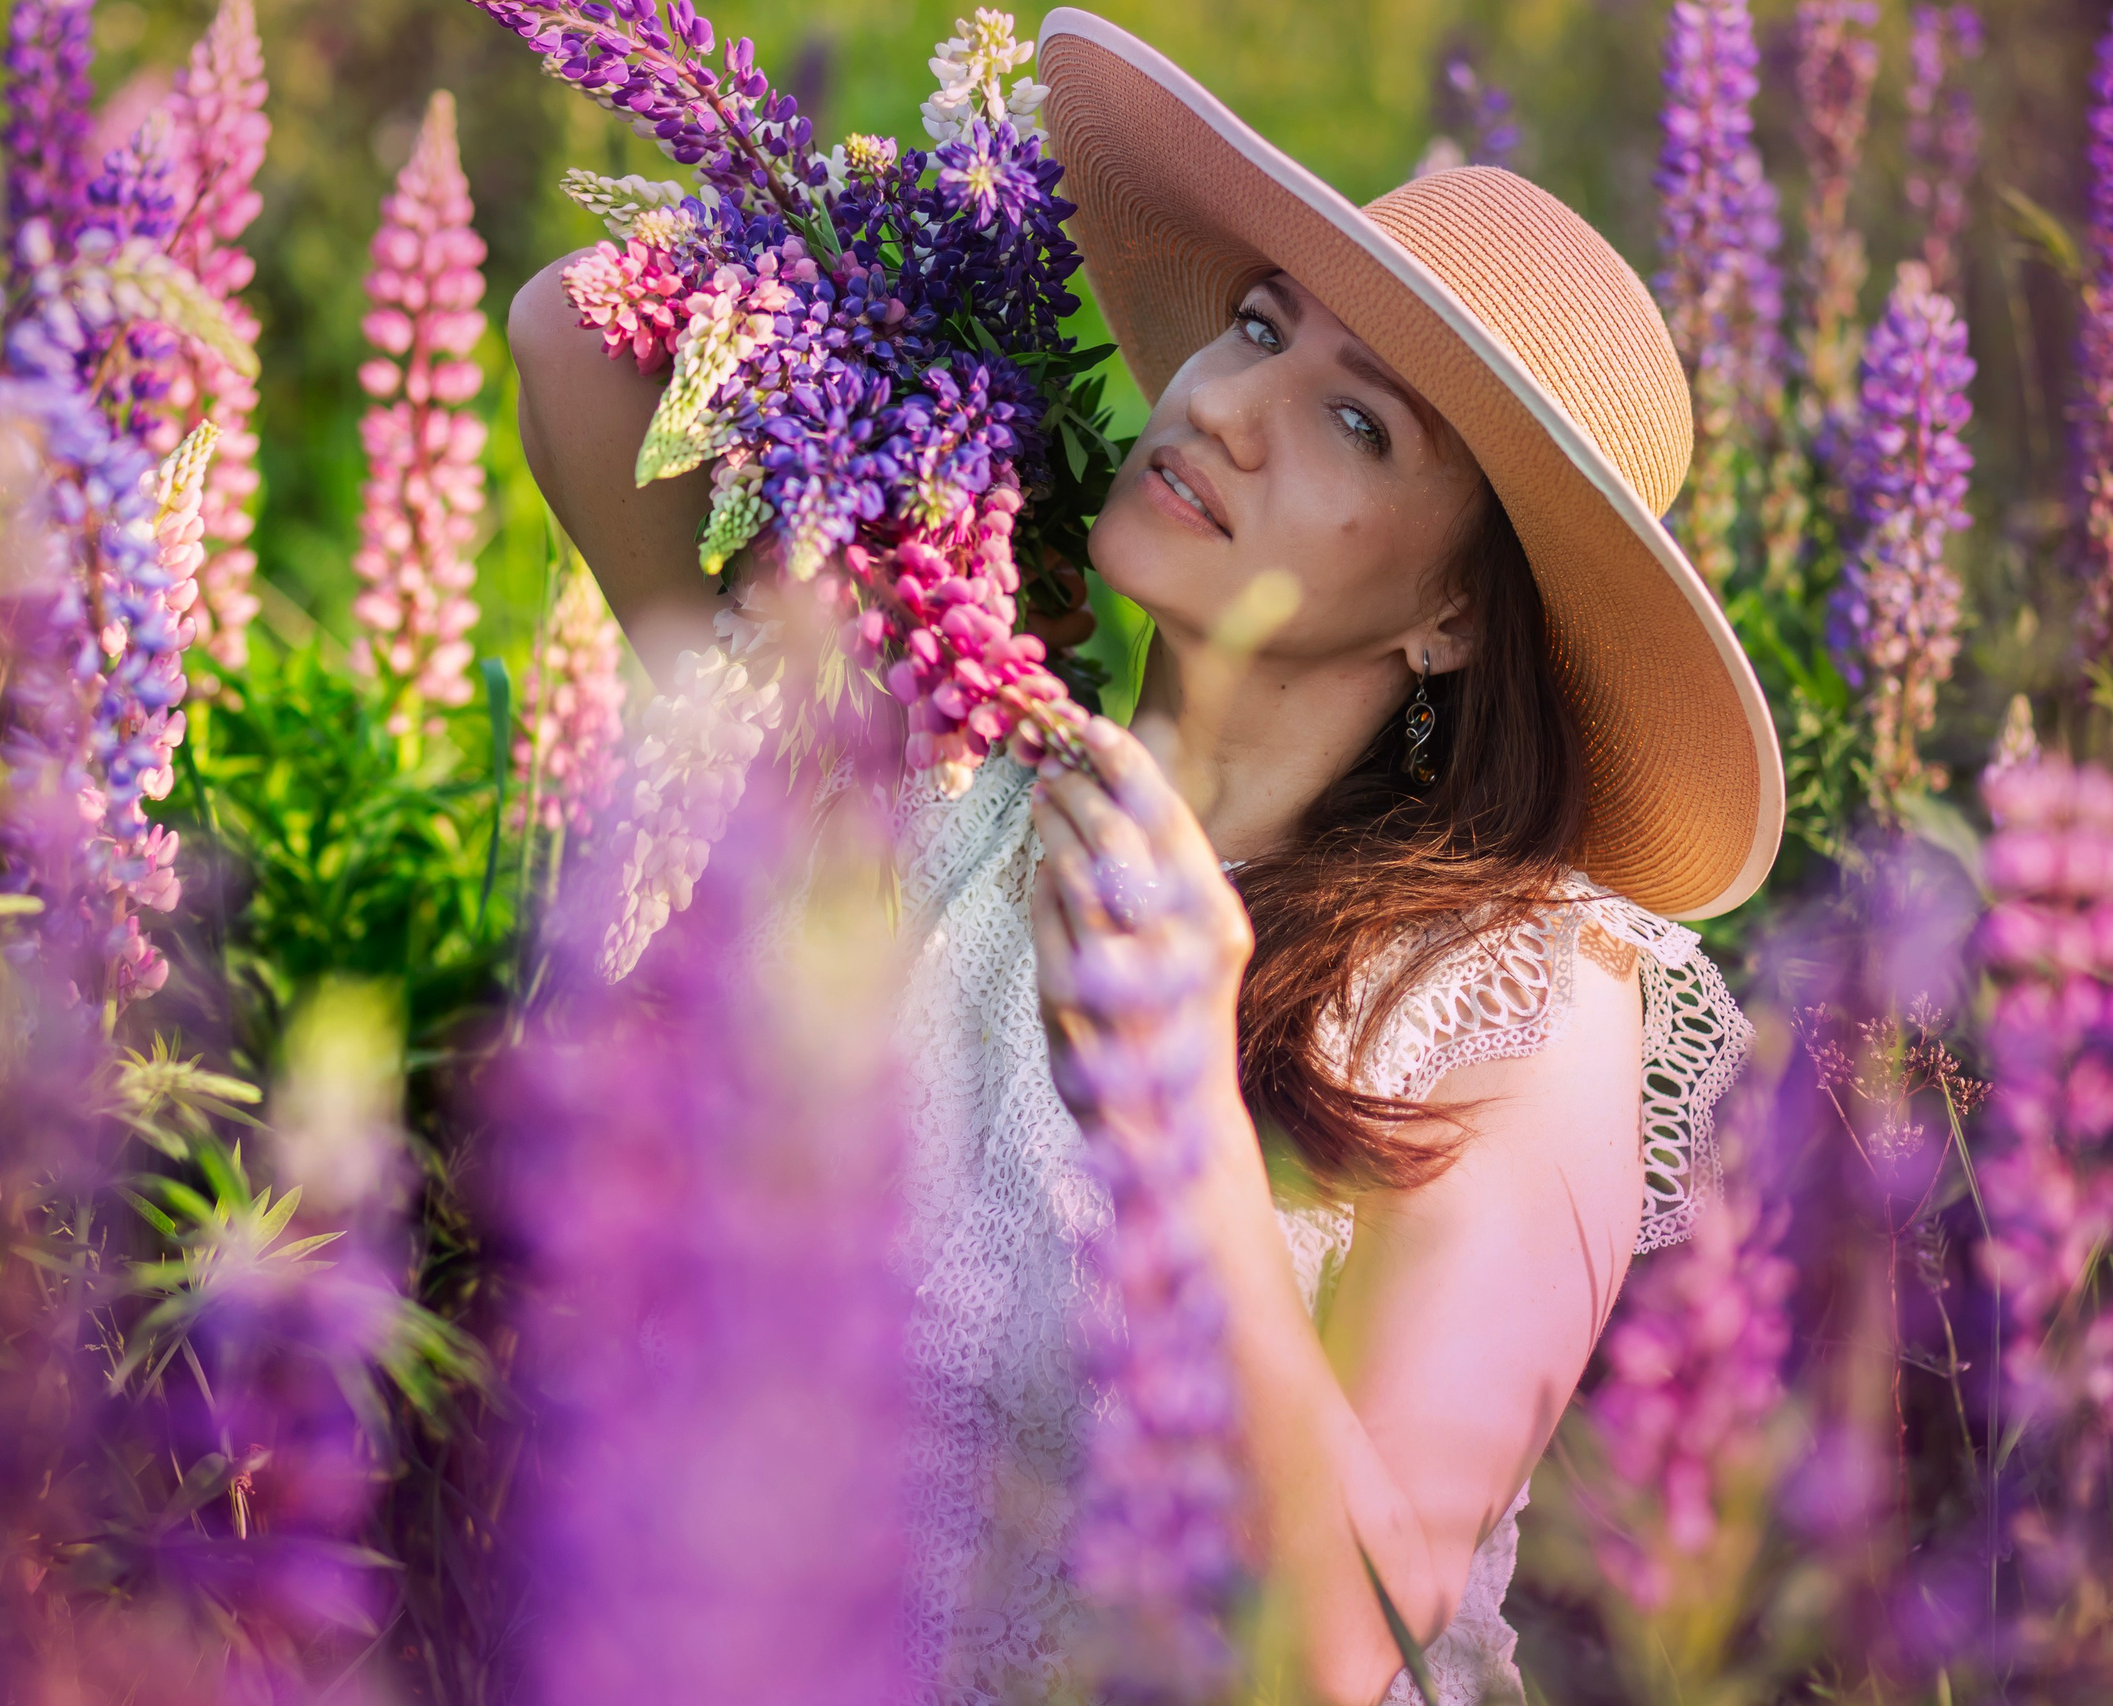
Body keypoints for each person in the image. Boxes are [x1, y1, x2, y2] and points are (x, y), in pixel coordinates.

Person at [507, 10, 1783, 1702]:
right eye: (1257, 325)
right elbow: (569, 337)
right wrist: (904, 280)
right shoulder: (934, 792)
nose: (1235, 403)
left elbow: (1345, 1643)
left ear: (1457, 612)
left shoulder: (1523, 1006)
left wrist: (1181, 1102)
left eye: (1360, 425)